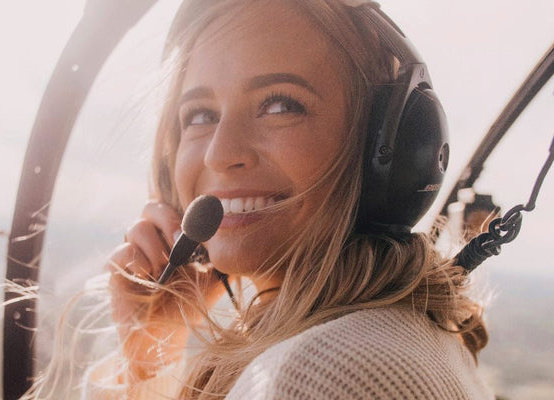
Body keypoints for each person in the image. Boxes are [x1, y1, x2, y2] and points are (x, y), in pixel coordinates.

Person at [83, 0, 494, 398]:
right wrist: (148, 359)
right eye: (200, 115)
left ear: (390, 148)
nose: (219, 154)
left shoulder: (314, 375)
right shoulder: (403, 331)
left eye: (279, 105)